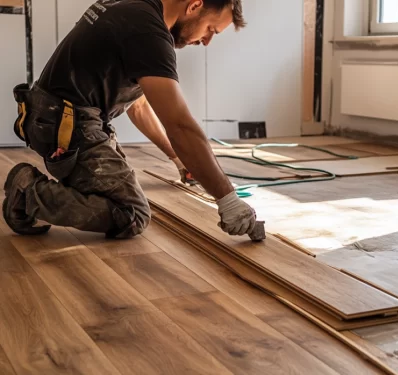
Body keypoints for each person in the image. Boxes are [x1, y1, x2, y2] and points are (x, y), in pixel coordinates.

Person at [3, 0, 259, 239]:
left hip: (54, 117)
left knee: (113, 189)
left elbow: (139, 106)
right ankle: (29, 193)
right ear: (194, 6)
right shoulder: (147, 32)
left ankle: (51, 191)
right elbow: (180, 126)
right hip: (66, 125)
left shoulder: (133, 7)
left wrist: (179, 159)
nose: (206, 41)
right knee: (131, 212)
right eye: (210, 29)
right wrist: (227, 200)